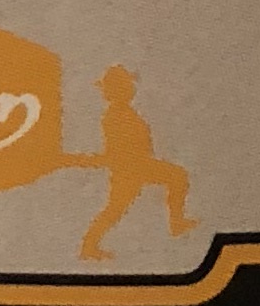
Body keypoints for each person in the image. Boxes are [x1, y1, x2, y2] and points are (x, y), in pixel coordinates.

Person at [76, 66, 190, 262]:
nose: (131, 88)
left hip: (139, 165)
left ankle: (177, 223)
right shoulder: (114, 116)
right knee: (114, 210)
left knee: (177, 177)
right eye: (126, 85)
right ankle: (88, 247)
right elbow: (115, 149)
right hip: (130, 169)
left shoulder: (125, 112)